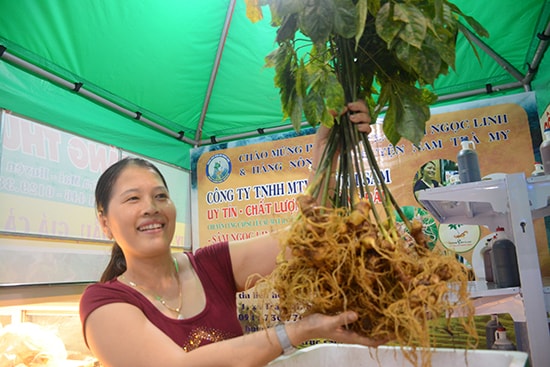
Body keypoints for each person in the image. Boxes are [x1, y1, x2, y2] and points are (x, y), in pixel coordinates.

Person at [79, 101, 383, 367]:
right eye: (133, 199)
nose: (151, 208)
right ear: (104, 222)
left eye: (160, 196)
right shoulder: (102, 303)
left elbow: (307, 238)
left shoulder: (210, 266)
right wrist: (297, 331)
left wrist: (327, 152)